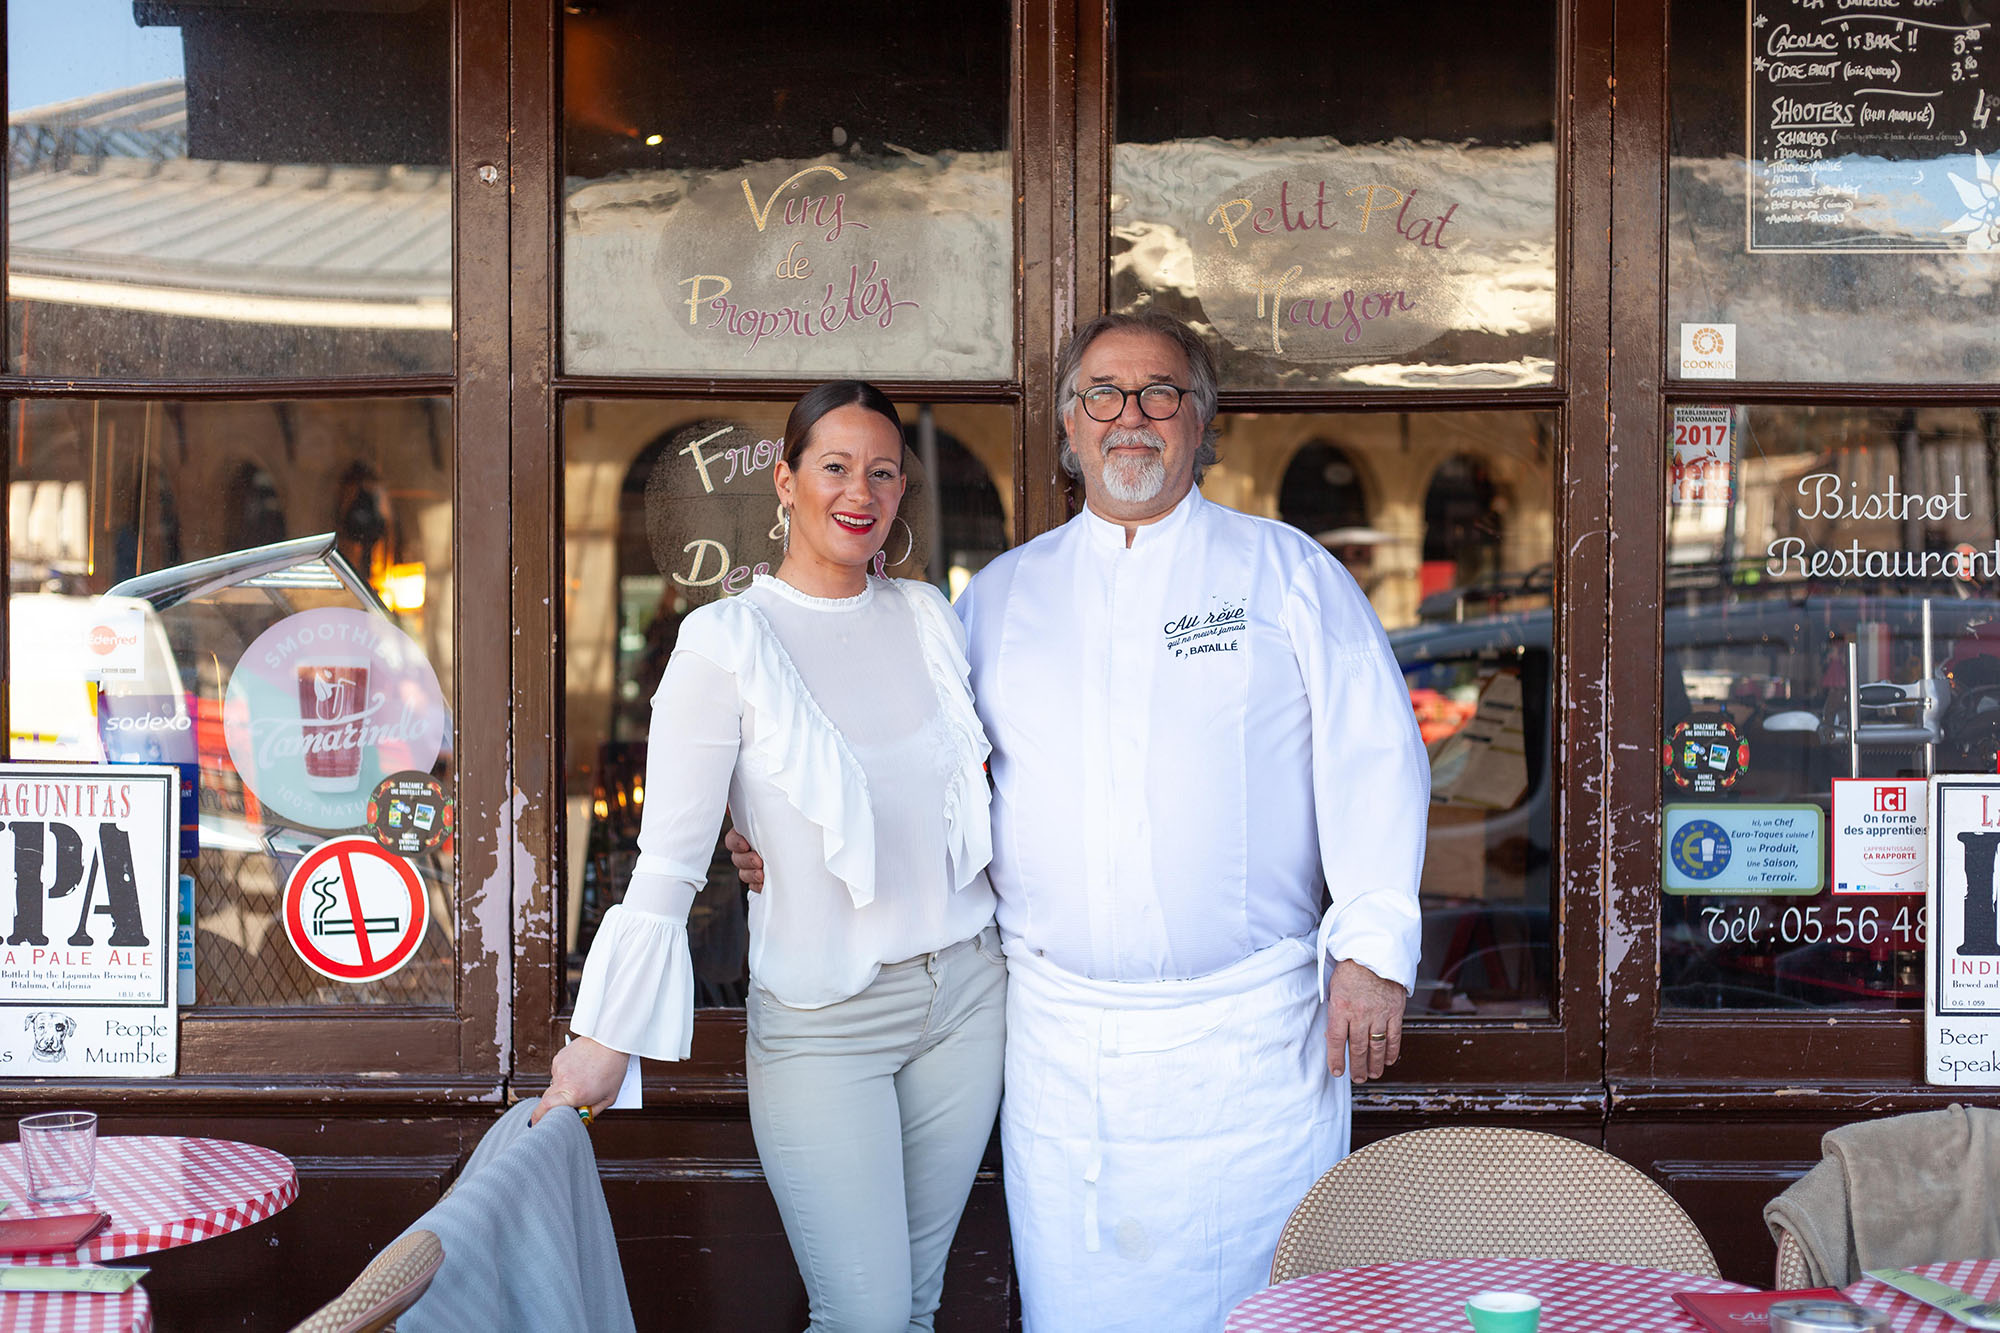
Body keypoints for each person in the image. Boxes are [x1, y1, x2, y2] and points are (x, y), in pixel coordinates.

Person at [731, 310, 1427, 1332]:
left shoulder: (1284, 573)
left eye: (1159, 395)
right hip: (1064, 1044)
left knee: (1264, 1309)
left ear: (1200, 424)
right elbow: (915, 769)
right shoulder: (1001, 596)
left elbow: (1373, 755)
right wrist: (779, 835)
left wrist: (1370, 948)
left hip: (1248, 1043)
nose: (1130, 418)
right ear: (1069, 428)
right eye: (1102, 395)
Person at [536, 381, 1007, 1333]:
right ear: (786, 481)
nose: (860, 491)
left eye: (883, 471)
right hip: (824, 1023)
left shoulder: (928, 616)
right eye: (835, 466)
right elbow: (666, 867)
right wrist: (600, 1049)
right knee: (865, 1317)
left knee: (913, 1307)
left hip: (968, 998)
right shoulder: (725, 642)